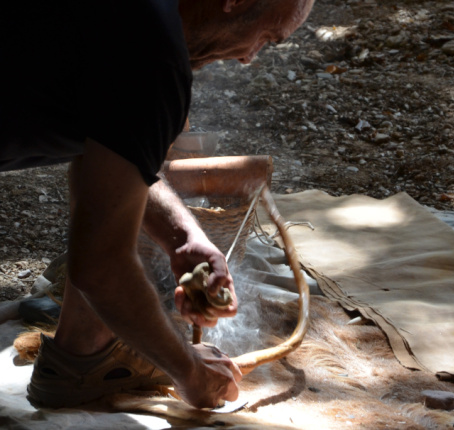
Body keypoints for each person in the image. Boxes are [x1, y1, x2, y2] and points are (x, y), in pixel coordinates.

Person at [0, 0, 314, 409]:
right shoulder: (151, 53)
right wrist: (190, 373)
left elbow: (111, 167)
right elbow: (99, 264)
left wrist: (184, 238)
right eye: (266, 37)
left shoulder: (133, 24)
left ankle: (83, 350)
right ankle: (87, 352)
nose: (247, 57)